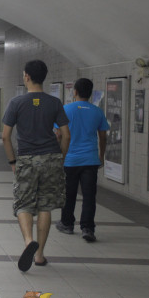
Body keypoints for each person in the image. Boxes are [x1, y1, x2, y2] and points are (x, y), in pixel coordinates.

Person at [1, 60, 70, 272]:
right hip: (51, 158)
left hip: (27, 159)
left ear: (27, 77)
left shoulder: (16, 102)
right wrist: (60, 159)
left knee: (23, 203)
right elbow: (66, 134)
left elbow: (5, 136)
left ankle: (28, 241)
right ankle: (39, 255)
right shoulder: (54, 102)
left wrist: (13, 162)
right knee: (45, 206)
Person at [55, 78, 109, 242]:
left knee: (69, 194)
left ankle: (67, 223)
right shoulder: (97, 111)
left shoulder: (65, 109)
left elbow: (58, 135)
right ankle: (88, 228)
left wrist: (58, 155)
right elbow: (103, 136)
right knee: (89, 195)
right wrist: (101, 155)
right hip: (90, 160)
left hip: (69, 160)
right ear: (90, 93)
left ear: (75, 91)